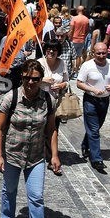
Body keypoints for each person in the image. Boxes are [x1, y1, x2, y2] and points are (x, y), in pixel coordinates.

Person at [0, 60, 61, 218]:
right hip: (13, 154)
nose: (31, 82)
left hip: (36, 156)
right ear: (21, 77)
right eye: (27, 78)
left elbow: (52, 129)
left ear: (41, 80)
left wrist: (54, 155)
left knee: (37, 197)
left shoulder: (48, 100)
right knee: (10, 190)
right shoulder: (10, 98)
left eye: (35, 79)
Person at [76, 42, 110, 173]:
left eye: (104, 53)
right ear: (93, 53)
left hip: (105, 101)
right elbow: (79, 83)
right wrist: (92, 90)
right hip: (90, 100)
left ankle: (85, 144)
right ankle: (97, 159)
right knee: (94, 130)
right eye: (98, 53)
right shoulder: (87, 66)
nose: (101, 56)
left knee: (95, 127)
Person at [39, 31, 70, 174]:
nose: (51, 51)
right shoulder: (39, 63)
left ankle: (52, 159)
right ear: (45, 50)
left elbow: (67, 81)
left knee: (52, 130)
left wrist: (61, 85)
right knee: (40, 129)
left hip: (55, 102)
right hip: (38, 101)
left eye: (54, 50)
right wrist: (42, 80)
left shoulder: (62, 63)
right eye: (49, 49)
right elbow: (27, 79)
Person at [69, 5, 90, 74]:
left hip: (74, 39)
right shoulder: (86, 19)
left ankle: (71, 70)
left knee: (71, 56)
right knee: (78, 56)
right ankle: (76, 71)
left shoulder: (74, 18)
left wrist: (69, 37)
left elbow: (71, 30)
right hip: (82, 40)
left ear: (77, 11)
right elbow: (87, 31)